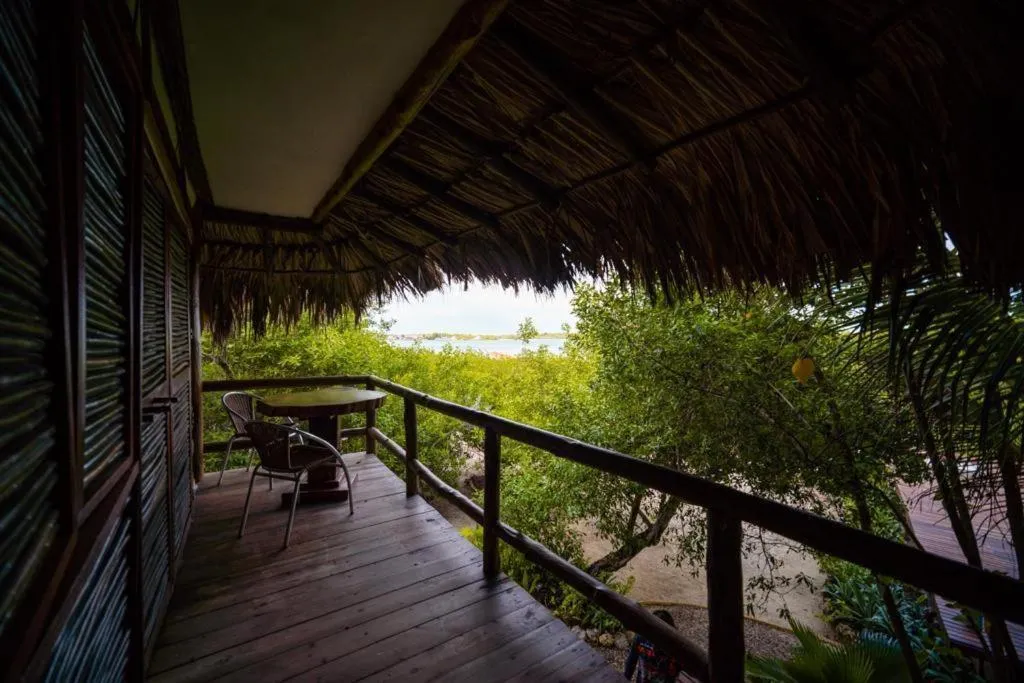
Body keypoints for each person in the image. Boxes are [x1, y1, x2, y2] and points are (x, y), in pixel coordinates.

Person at [623, 610, 683, 682]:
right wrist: (625, 679)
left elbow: (677, 669)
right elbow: (631, 661)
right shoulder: (641, 638)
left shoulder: (674, 645)